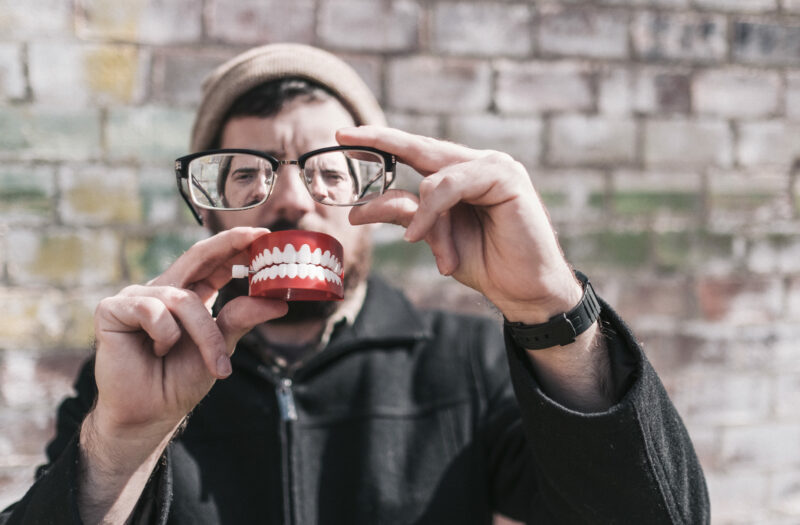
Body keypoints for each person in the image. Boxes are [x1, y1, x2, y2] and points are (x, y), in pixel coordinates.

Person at [0, 43, 709, 524]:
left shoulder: (471, 363)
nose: (291, 200)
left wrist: (553, 311)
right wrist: (122, 443)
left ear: (372, 203)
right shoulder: (136, 377)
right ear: (208, 210)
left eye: (328, 173)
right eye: (247, 173)